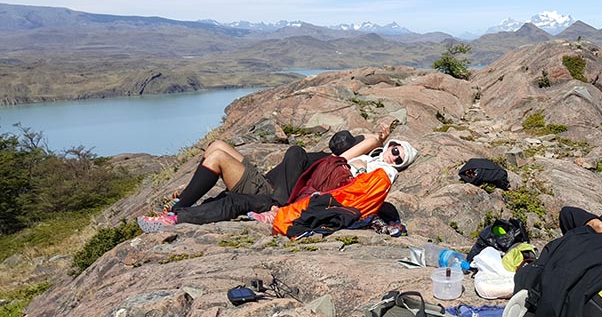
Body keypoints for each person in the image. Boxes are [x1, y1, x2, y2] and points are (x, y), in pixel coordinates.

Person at [137, 118, 416, 232]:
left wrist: (381, 138)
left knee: (219, 157)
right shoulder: (325, 159)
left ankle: (179, 208)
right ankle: (184, 199)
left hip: (270, 193)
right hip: (267, 182)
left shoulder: (344, 163)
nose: (394, 153)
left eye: (399, 155)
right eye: (394, 149)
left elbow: (366, 143)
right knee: (217, 146)